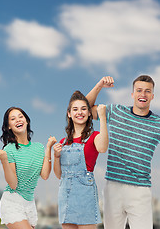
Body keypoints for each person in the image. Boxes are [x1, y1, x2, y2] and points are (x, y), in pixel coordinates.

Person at [86, 75, 160, 229]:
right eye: (139, 90)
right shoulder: (115, 112)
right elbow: (84, 109)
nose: (143, 94)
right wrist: (99, 86)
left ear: (152, 96)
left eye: (147, 91)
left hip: (140, 191)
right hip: (113, 187)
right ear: (132, 94)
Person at [53, 91, 108, 229]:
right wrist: (56, 156)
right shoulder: (63, 142)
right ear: (69, 114)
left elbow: (102, 148)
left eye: (84, 109)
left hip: (85, 194)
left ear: (89, 113)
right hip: (65, 194)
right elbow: (59, 175)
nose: (80, 112)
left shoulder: (94, 136)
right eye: (75, 109)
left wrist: (102, 117)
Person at [0, 107, 56, 229]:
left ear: (27, 121)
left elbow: (44, 175)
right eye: (13, 119)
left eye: (20, 116)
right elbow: (13, 184)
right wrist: (4, 161)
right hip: (13, 201)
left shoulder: (39, 148)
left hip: (29, 203)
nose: (18, 120)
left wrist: (49, 148)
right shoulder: (9, 149)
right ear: (9, 127)